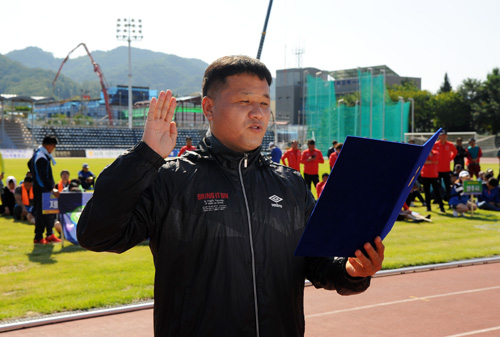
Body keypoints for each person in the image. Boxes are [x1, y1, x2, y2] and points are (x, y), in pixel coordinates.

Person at [77, 55, 384, 337]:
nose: (257, 112)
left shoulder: (290, 184)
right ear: (208, 108)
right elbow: (97, 235)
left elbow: (318, 265)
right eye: (244, 100)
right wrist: (145, 157)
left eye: (264, 103)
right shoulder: (172, 179)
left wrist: (351, 271)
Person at [28, 135, 61, 244]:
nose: (53, 149)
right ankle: (38, 237)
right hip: (42, 190)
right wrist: (52, 189)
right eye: (53, 146)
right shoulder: (41, 156)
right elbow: (43, 177)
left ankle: (49, 234)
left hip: (42, 189)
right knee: (42, 214)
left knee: (50, 213)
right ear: (49, 145)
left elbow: (29, 163)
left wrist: (33, 171)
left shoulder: (39, 154)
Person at [433, 130, 457, 201]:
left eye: (445, 135)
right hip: (438, 170)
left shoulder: (450, 144)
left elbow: (455, 152)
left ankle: (449, 200)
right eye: (442, 135)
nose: (444, 137)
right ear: (439, 136)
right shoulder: (436, 144)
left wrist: (450, 158)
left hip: (446, 169)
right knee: (438, 185)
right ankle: (438, 199)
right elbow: (431, 153)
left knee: (447, 185)